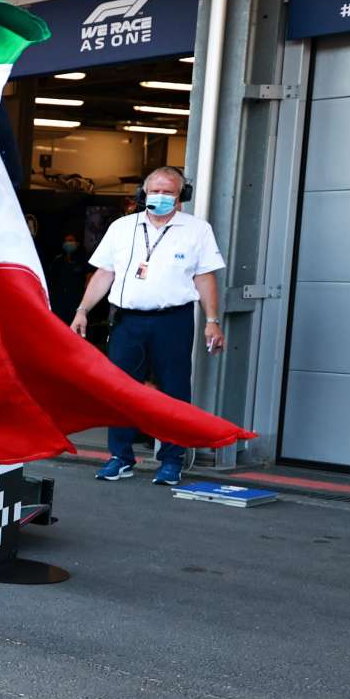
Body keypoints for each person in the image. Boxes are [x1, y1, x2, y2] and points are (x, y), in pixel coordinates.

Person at [70, 167, 226, 486]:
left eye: (169, 192)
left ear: (182, 196)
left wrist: (212, 320)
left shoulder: (197, 230)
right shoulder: (122, 227)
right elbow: (104, 274)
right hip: (128, 321)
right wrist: (82, 310)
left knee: (174, 390)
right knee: (120, 389)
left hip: (173, 319)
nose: (160, 197)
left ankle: (171, 460)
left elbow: (205, 277)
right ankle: (120, 457)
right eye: (154, 191)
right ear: (143, 193)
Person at [47, 232, 87, 323]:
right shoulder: (58, 260)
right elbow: (51, 280)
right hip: (59, 304)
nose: (68, 243)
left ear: (77, 243)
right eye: (66, 241)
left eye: (70, 241)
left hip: (76, 303)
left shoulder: (83, 260)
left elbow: (89, 278)